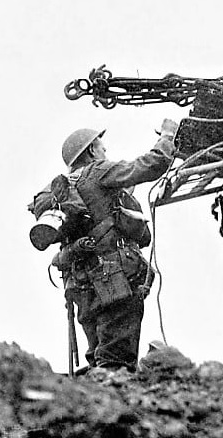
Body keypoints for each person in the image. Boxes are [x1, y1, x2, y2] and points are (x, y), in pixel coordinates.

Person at [28, 119, 179, 372]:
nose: (105, 152)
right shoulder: (98, 172)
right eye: (102, 148)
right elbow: (152, 164)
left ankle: (97, 403)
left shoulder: (61, 189)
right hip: (114, 282)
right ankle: (113, 407)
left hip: (83, 286)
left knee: (99, 358)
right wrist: (167, 135)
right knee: (116, 364)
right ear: (91, 151)